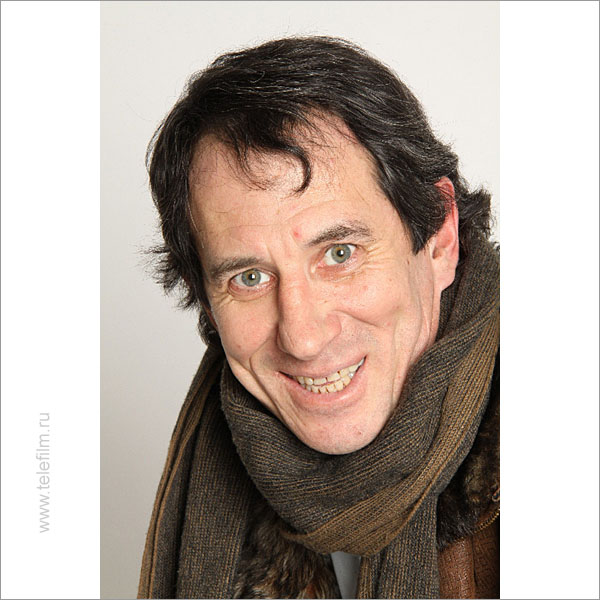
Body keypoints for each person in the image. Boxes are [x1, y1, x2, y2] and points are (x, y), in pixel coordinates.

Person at [138, 36, 499, 599]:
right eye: (249, 278)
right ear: (207, 300)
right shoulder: (213, 463)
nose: (303, 338)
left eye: (340, 253)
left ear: (439, 238)